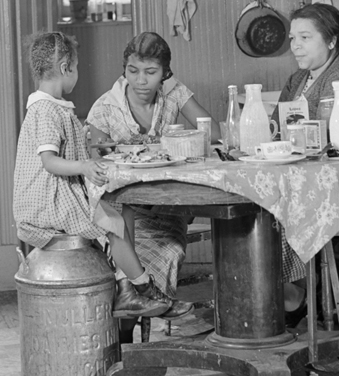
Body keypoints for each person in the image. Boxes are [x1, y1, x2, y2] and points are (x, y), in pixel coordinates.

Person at [13, 31, 171, 317]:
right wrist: (85, 166)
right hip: (48, 202)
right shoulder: (46, 110)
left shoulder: (50, 107)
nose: (76, 75)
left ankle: (125, 289)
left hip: (56, 195)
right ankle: (144, 287)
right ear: (65, 68)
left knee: (122, 215)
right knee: (114, 221)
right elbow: (49, 162)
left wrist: (86, 146)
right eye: (75, 69)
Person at [85, 31, 218, 307]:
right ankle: (134, 319)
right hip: (122, 210)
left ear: (165, 73)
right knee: (132, 251)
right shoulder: (106, 108)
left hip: (167, 206)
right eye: (132, 71)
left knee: (169, 250)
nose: (141, 81)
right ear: (124, 70)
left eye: (151, 72)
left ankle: (151, 307)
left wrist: (177, 141)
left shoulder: (173, 92)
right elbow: (97, 167)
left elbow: (213, 132)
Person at [275, 4, 339, 324]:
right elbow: (275, 126)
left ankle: (293, 294)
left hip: (329, 179)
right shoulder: (298, 78)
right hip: (299, 172)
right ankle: (283, 287)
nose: (295, 46)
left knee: (275, 206)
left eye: (305, 37)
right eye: (293, 38)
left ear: (331, 41)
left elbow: (331, 134)